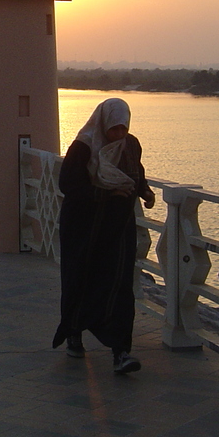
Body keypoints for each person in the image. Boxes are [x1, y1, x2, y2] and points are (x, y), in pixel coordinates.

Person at [52, 97, 155, 374]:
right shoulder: (84, 146)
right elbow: (68, 183)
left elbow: (136, 173)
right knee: (81, 276)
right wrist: (104, 194)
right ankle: (74, 332)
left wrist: (144, 191)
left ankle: (120, 351)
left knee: (119, 284)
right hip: (85, 226)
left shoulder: (130, 144)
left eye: (123, 128)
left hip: (117, 226)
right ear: (103, 123)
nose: (119, 134)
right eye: (114, 129)